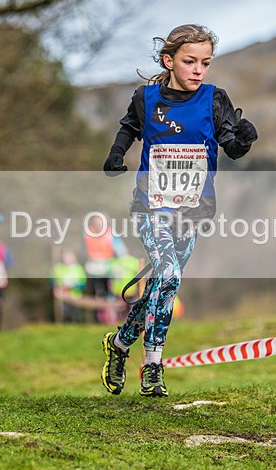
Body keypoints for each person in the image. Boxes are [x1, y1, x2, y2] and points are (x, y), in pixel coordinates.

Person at [100, 24, 259, 397]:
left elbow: (230, 146)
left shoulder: (214, 99)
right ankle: (153, 364)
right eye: (190, 61)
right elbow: (129, 128)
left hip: (193, 210)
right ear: (169, 60)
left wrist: (245, 141)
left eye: (205, 62)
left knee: (161, 284)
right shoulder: (146, 97)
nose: (198, 69)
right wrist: (115, 154)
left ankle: (120, 345)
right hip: (150, 206)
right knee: (169, 275)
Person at [50, 248, 88, 323]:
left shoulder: (78, 269)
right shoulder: (58, 268)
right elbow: (52, 281)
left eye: (70, 258)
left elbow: (83, 283)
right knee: (65, 314)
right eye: (66, 258)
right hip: (62, 296)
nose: (67, 260)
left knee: (76, 315)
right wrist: (57, 286)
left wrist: (74, 286)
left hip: (76, 296)